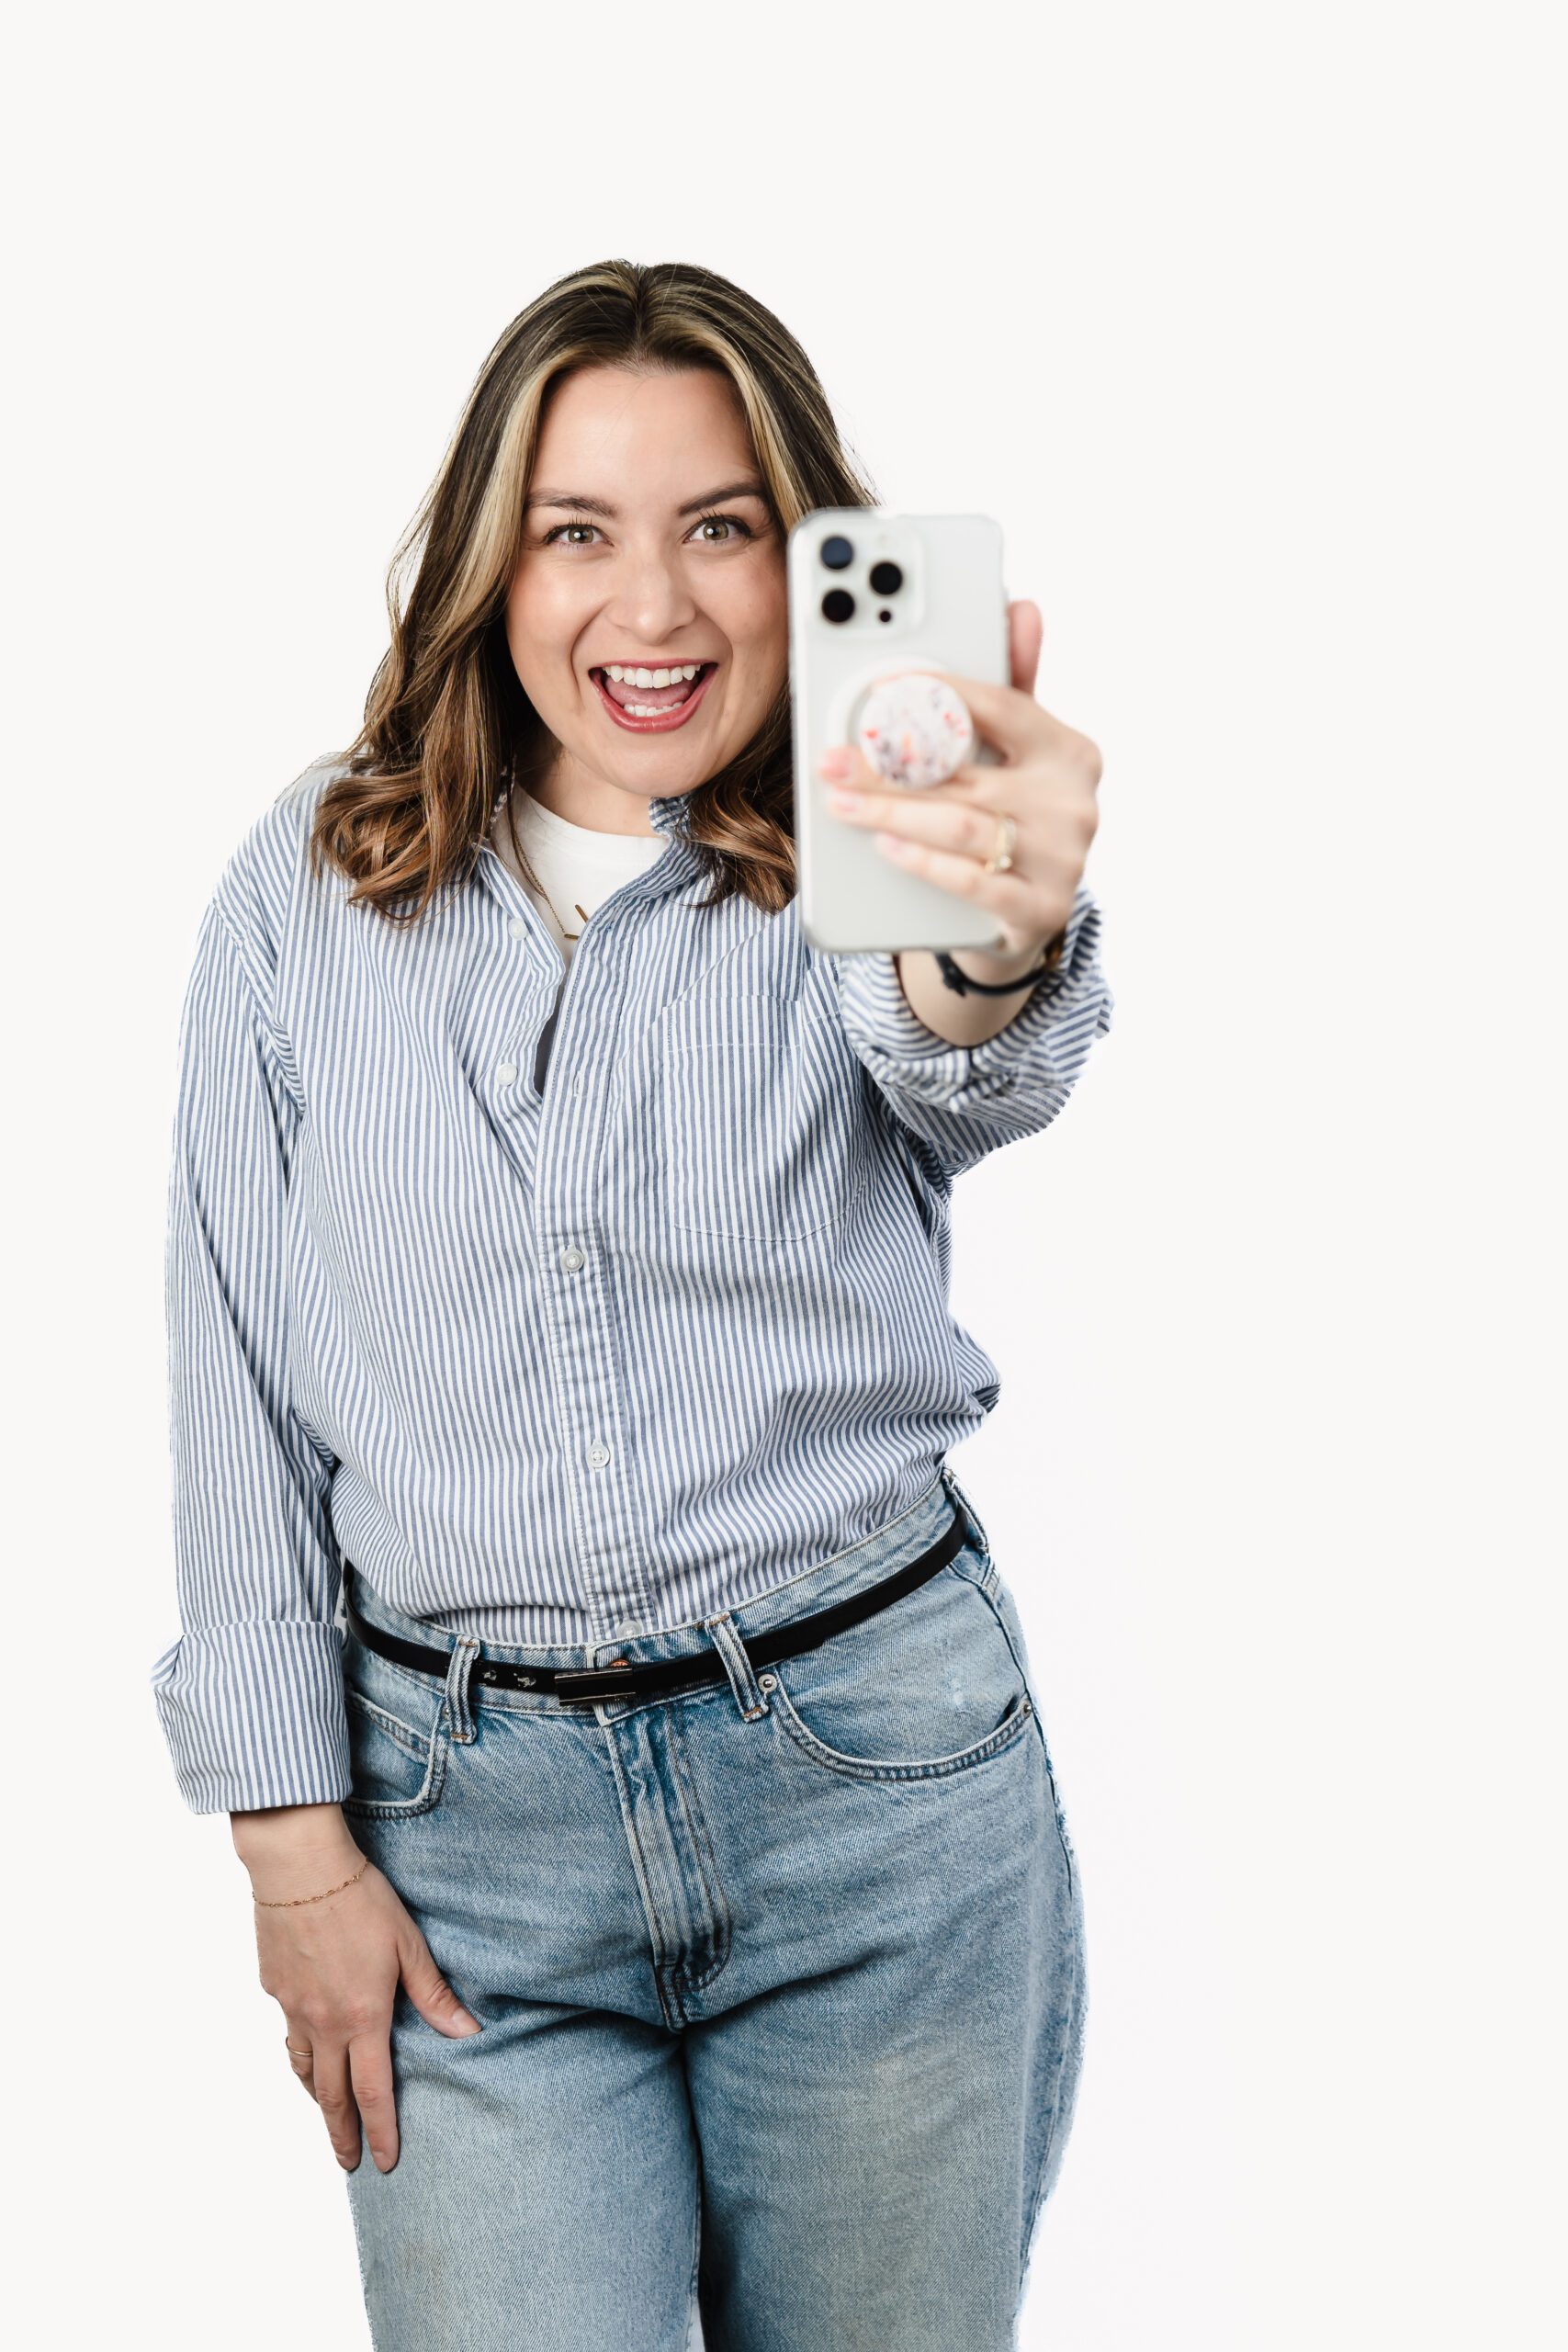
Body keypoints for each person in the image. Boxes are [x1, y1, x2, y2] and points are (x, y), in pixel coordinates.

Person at [150, 256, 1111, 2352]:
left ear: (808, 555)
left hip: (871, 1785)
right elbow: (227, 1369)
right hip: (457, 1847)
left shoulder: (867, 860)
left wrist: (997, 937)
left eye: (720, 528)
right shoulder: (309, 888)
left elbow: (968, 1061)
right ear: (495, 563)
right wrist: (288, 1848)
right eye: (579, 531)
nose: (650, 609)